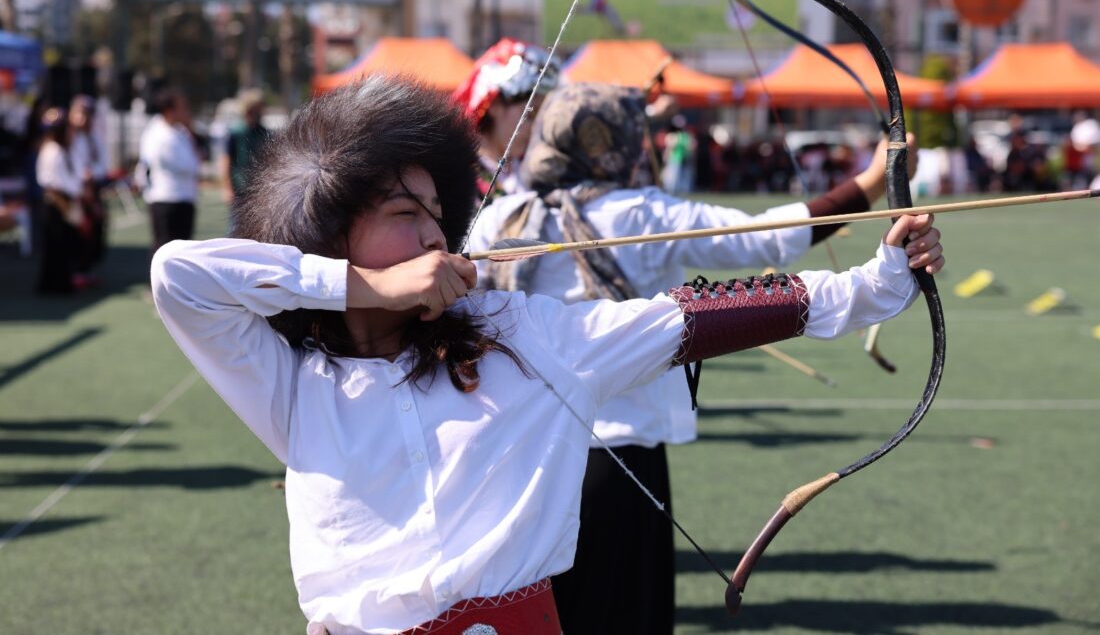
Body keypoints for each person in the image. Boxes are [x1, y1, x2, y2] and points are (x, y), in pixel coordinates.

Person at [150, 75, 944, 634]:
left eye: (437, 213)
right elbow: (179, 276)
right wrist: (371, 289)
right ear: (329, 232)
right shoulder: (292, 386)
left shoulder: (522, 335)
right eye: (403, 212)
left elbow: (685, 318)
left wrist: (877, 286)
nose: (433, 232)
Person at [465, 82, 922, 635]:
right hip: (620, 455)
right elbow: (767, 239)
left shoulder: (500, 216)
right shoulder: (638, 212)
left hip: (522, 452)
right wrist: (874, 180)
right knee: (624, 617)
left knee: (549, 613)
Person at [453, 38, 561, 205]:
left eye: (542, 118)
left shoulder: (536, 169)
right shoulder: (458, 173)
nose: (535, 128)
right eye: (529, 115)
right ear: (495, 104)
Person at [138, 88, 201, 255]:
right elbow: (189, 166)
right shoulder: (158, 134)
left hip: (183, 198)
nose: (185, 111)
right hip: (167, 201)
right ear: (169, 110)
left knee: (182, 251)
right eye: (181, 107)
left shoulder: (180, 131)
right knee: (165, 250)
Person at [35, 107, 86, 294]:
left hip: (65, 200)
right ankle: (53, 285)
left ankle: (61, 283)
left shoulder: (62, 150)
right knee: (55, 246)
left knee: (63, 246)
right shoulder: (52, 150)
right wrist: (66, 208)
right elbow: (51, 185)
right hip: (57, 203)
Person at [69, 95, 109, 279]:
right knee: (78, 231)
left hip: (93, 188)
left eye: (88, 114)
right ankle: (76, 269)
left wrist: (92, 175)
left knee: (95, 230)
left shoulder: (94, 136)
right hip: (76, 192)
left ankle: (87, 268)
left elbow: (102, 164)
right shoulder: (69, 137)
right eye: (80, 113)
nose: (84, 118)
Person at [219, 88, 270, 206]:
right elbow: (226, 160)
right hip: (240, 187)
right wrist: (227, 188)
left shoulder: (264, 133)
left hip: (259, 190)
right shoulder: (235, 132)